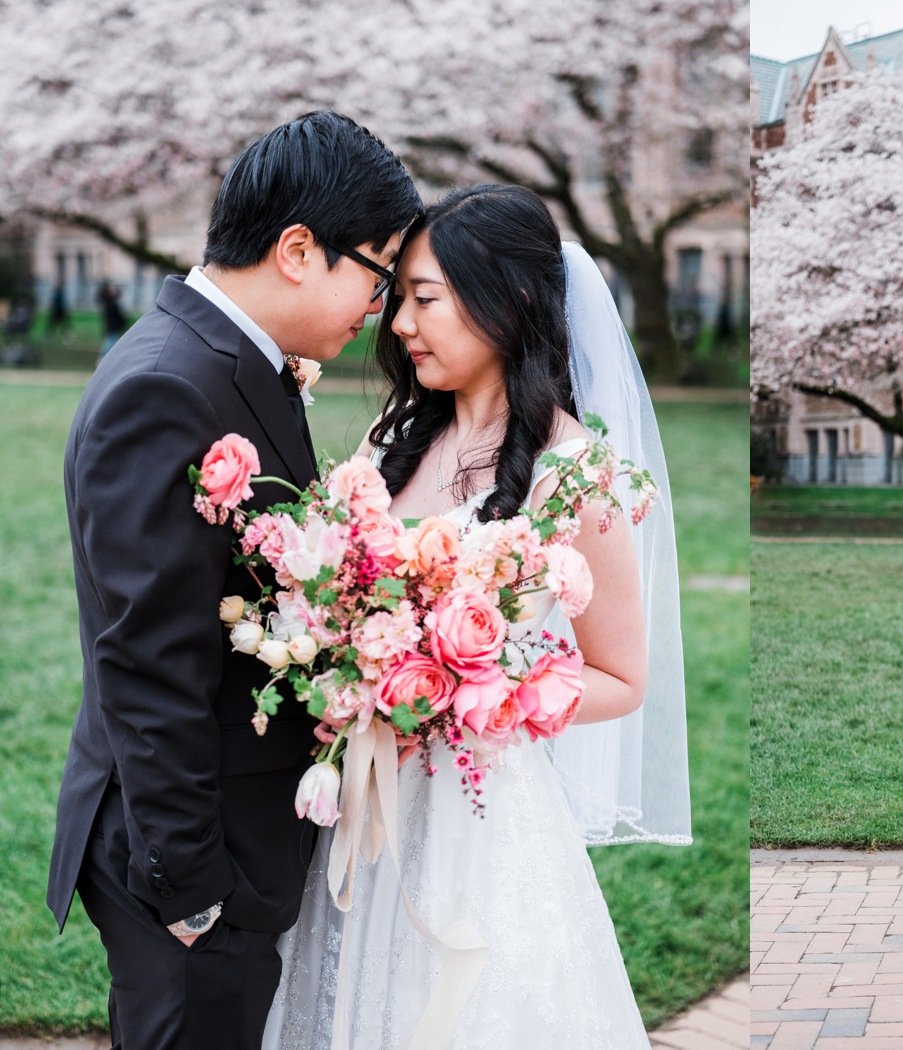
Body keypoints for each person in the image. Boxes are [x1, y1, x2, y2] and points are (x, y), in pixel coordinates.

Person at [264, 184, 690, 1049]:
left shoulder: (573, 472)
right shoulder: (392, 439)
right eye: (399, 301)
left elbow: (621, 677)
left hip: (483, 814)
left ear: (512, 300)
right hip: (363, 798)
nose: (401, 326)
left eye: (426, 301)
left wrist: (480, 689)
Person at [47, 111, 420, 1050]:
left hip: (229, 835)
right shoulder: (168, 386)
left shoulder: (230, 362)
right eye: (375, 276)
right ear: (299, 249)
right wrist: (193, 891)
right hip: (184, 856)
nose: (377, 310)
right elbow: (145, 654)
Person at [98, 281, 128, 359]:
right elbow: (118, 316)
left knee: (111, 342)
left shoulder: (111, 302)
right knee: (110, 342)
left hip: (112, 327)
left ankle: (104, 357)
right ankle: (103, 357)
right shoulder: (110, 303)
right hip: (112, 327)